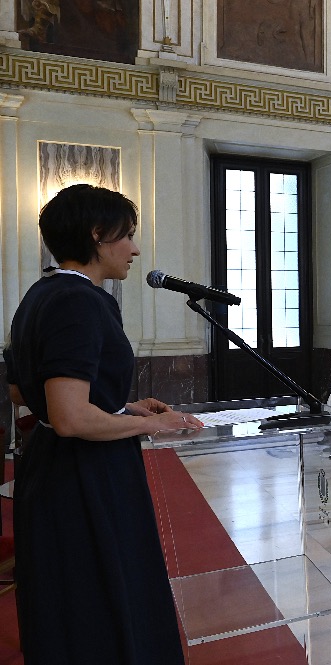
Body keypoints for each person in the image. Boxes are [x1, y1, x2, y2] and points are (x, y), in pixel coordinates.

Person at [3, 184, 196, 663]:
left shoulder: (40, 294)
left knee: (67, 599)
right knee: (100, 597)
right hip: (83, 476)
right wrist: (154, 426)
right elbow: (69, 417)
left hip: (50, 468)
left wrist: (118, 408)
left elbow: (22, 391)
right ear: (96, 234)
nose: (134, 249)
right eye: (127, 235)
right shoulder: (80, 301)